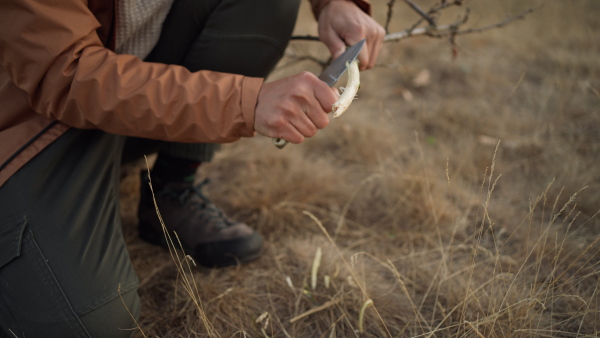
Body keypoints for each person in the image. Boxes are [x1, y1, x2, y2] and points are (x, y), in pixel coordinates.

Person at [0, 0, 385, 335]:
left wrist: (333, 2)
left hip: (135, 85)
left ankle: (172, 189)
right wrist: (243, 103)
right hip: (35, 119)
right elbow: (66, 74)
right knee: (85, 326)